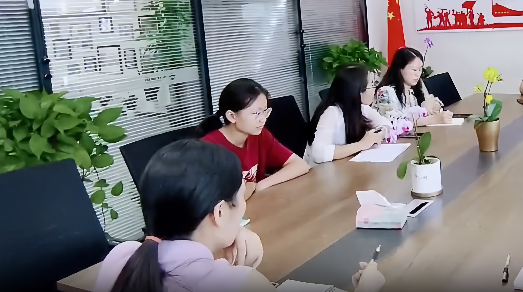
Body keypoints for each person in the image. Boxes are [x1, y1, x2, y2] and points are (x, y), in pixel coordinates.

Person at [94, 139, 384, 292]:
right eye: (240, 198)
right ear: (219, 212)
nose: (243, 206)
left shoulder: (122, 257)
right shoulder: (239, 283)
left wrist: (231, 236)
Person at [199, 78, 309, 200]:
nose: (263, 119)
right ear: (232, 116)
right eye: (256, 113)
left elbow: (300, 165)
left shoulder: (260, 135)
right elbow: (218, 201)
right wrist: (250, 187)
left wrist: (259, 186)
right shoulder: (208, 149)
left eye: (265, 112)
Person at [305, 65, 389, 165]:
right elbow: (318, 154)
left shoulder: (362, 108)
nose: (375, 89)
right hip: (321, 171)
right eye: (372, 84)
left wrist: (378, 134)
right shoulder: (331, 113)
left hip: (345, 166)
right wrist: (362, 144)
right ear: (358, 90)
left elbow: (386, 124)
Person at [375, 47, 453, 126]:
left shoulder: (412, 92)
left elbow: (418, 115)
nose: (418, 74)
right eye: (414, 70)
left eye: (420, 69)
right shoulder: (385, 92)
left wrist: (433, 108)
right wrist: (433, 119)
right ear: (400, 69)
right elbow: (394, 124)